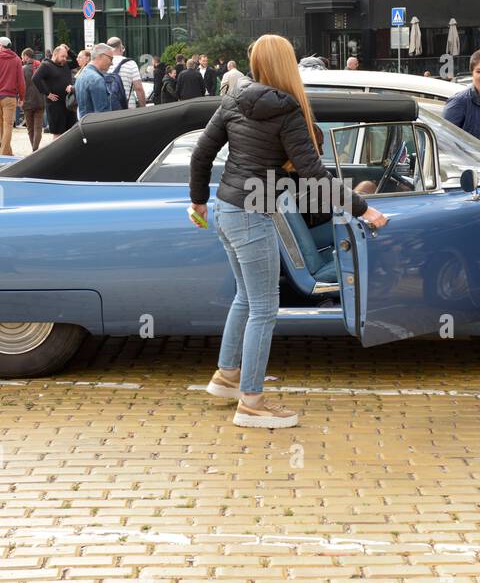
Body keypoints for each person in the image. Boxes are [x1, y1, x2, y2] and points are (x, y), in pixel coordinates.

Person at [189, 34, 387, 430]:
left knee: (245, 298)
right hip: (252, 213)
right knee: (264, 308)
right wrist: (365, 209)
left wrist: (197, 201)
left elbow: (200, 154)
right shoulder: (287, 109)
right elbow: (315, 175)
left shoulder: (232, 99)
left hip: (225, 208)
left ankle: (227, 377)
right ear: (287, 64)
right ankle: (252, 403)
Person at [0, 36, 25, 155]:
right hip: (10, 97)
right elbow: (21, 81)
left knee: (1, 127)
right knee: (8, 126)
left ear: (1, 46)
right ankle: (6, 152)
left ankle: (4, 152)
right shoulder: (16, 60)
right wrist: (22, 97)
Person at [36, 45, 75, 137]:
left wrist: (69, 50)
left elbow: (76, 61)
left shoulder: (65, 64)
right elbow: (36, 78)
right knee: (58, 133)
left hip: (68, 103)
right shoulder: (46, 65)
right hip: (55, 106)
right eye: (62, 56)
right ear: (55, 54)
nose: (65, 59)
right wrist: (47, 93)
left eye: (66, 57)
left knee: (70, 132)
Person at [77, 42, 115, 117]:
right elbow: (103, 115)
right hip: (96, 127)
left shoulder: (81, 75)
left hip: (85, 125)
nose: (112, 63)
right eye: (111, 58)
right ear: (101, 56)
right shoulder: (97, 79)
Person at [107, 37, 145, 107]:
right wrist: (143, 107)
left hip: (109, 108)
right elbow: (138, 88)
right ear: (121, 48)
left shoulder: (104, 63)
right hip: (128, 107)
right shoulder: (131, 63)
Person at [21, 50, 46, 152]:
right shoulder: (41, 67)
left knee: (30, 129)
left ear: (26, 57)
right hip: (40, 101)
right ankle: (35, 149)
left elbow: (21, 86)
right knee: (38, 128)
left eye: (22, 57)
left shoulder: (22, 69)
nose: (22, 59)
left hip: (27, 102)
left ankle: (34, 149)